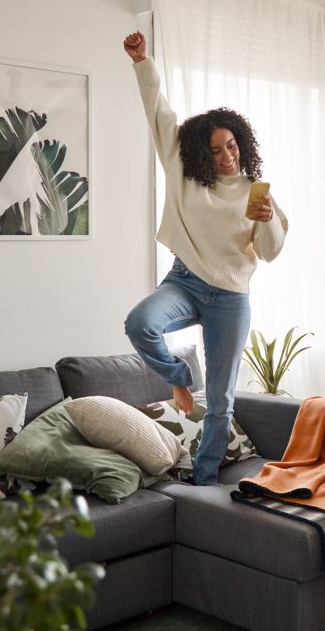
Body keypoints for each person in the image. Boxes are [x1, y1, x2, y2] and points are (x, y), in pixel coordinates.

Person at [122, 31, 287, 486]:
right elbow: (160, 112)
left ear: (241, 143)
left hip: (232, 297)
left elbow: (270, 252)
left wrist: (269, 218)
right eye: (215, 150)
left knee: (221, 401)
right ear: (201, 152)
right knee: (140, 323)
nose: (226, 156)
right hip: (186, 281)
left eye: (231, 146)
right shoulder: (182, 168)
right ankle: (179, 375)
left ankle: (205, 482)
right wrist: (142, 62)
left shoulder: (256, 191)